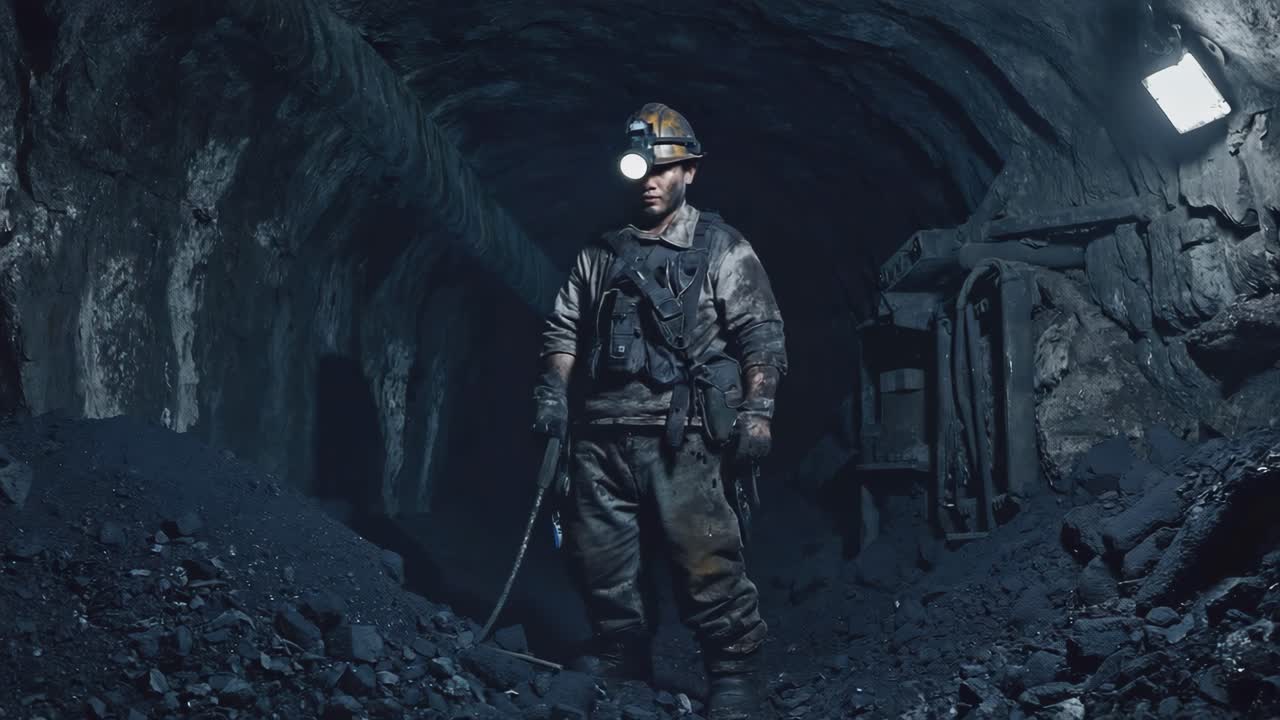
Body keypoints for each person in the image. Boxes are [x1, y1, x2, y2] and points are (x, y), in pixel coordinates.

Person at [532, 102, 786, 719]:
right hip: (601, 435)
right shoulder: (600, 253)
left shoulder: (723, 247)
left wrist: (758, 411)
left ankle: (733, 674)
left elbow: (760, 333)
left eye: (665, 168)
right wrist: (552, 395)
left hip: (686, 434)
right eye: (640, 168)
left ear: (689, 174)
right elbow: (563, 329)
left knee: (706, 557)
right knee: (600, 557)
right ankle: (623, 655)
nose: (649, 179)